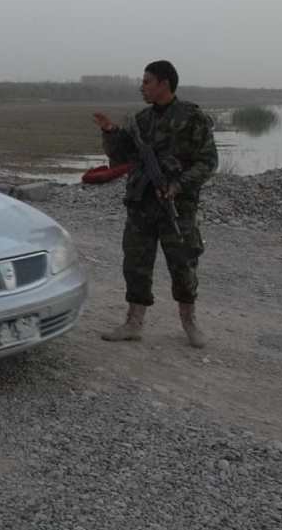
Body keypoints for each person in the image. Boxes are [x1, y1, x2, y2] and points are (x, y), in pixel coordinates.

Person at [92, 60, 218, 348]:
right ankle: (134, 322)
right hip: (141, 206)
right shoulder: (141, 120)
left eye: (147, 82)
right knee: (136, 264)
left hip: (177, 207)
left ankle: (189, 321)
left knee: (183, 264)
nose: (142, 87)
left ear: (165, 84)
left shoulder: (192, 118)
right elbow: (122, 156)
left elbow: (208, 161)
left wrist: (178, 185)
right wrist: (110, 131)